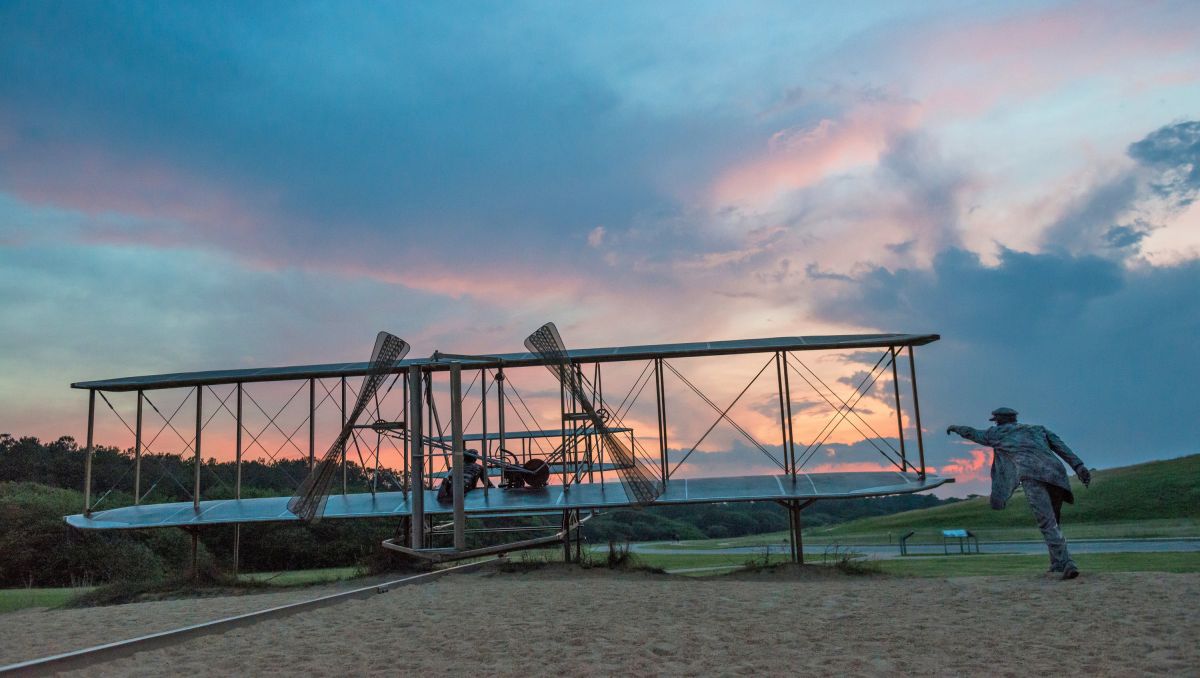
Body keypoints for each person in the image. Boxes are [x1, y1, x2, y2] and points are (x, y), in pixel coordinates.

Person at [947, 407, 1092, 580]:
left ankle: (1067, 563)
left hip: (1032, 476)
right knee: (1053, 521)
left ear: (998, 421)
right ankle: (1057, 563)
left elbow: (974, 434)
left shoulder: (997, 434)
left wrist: (956, 428)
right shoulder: (1038, 429)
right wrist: (1078, 466)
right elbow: (1062, 447)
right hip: (1056, 474)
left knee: (1047, 522)